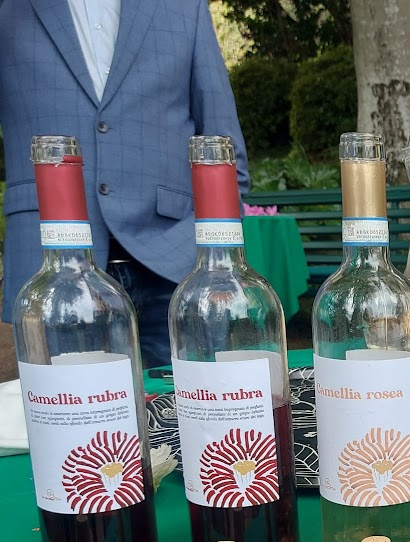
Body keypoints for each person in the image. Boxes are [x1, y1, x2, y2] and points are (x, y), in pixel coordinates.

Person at [0, 0, 249, 367]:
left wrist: (210, 262)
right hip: (49, 267)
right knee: (64, 401)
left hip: (175, 269)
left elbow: (225, 154)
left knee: (196, 402)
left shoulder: (185, 7)